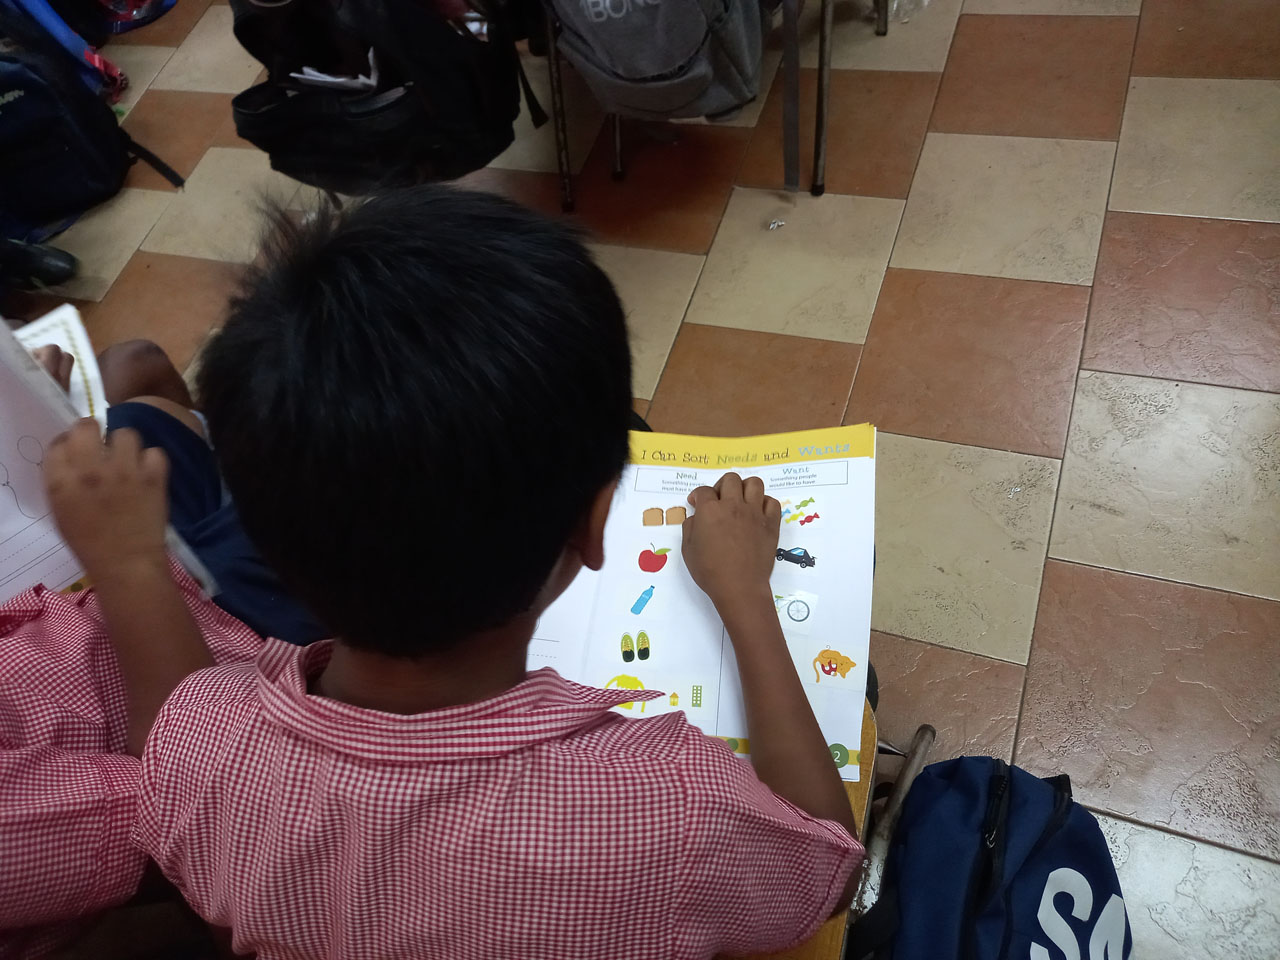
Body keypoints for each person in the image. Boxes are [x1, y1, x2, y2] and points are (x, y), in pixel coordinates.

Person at [132, 186, 865, 959]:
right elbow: (826, 867)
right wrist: (745, 596)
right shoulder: (671, 806)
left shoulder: (192, 740)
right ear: (594, 523)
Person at [0, 341, 268, 957]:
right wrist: (126, 562)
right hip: (225, 663)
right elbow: (200, 797)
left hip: (117, 579)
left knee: (136, 378)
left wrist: (28, 419)